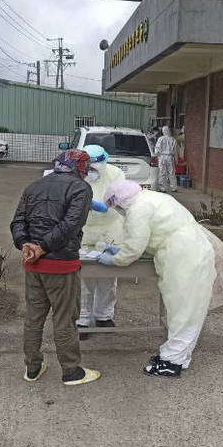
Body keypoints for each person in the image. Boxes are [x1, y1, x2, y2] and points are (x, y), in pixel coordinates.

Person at [99, 179, 223, 377]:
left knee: (184, 311)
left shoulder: (138, 209)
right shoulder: (154, 197)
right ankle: (179, 357)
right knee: (187, 308)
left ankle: (171, 362)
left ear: (119, 202)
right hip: (192, 250)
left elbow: (134, 248)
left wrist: (116, 258)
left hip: (184, 256)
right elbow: (154, 234)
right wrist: (122, 249)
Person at [11, 149, 101, 386]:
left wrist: (26, 245)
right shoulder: (80, 188)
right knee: (64, 319)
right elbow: (71, 225)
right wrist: (42, 247)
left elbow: (18, 221)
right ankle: (71, 371)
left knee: (33, 318)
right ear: (79, 168)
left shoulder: (34, 186)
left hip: (33, 265)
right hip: (62, 264)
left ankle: (32, 368)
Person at [76, 144, 126, 336]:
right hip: (84, 228)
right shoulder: (76, 173)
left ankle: (104, 315)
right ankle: (82, 319)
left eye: (96, 168)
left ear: (104, 163)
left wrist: (105, 205)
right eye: (88, 168)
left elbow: (122, 195)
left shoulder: (115, 173)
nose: (91, 172)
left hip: (109, 229)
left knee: (107, 276)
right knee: (83, 277)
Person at [154, 125, 178, 192]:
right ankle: (174, 187)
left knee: (162, 172)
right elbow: (175, 151)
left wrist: (157, 156)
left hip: (162, 157)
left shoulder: (160, 139)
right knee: (171, 172)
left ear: (163, 131)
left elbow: (157, 149)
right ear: (169, 131)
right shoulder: (173, 139)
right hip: (170, 157)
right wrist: (176, 160)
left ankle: (162, 188)